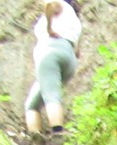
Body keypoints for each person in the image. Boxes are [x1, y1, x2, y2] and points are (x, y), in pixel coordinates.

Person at [23, 0, 81, 137]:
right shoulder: (75, 21)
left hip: (50, 52)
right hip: (69, 60)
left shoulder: (61, 4)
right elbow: (78, 51)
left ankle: (58, 134)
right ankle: (35, 137)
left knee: (51, 95)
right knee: (31, 105)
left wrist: (49, 29)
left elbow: (50, 5)